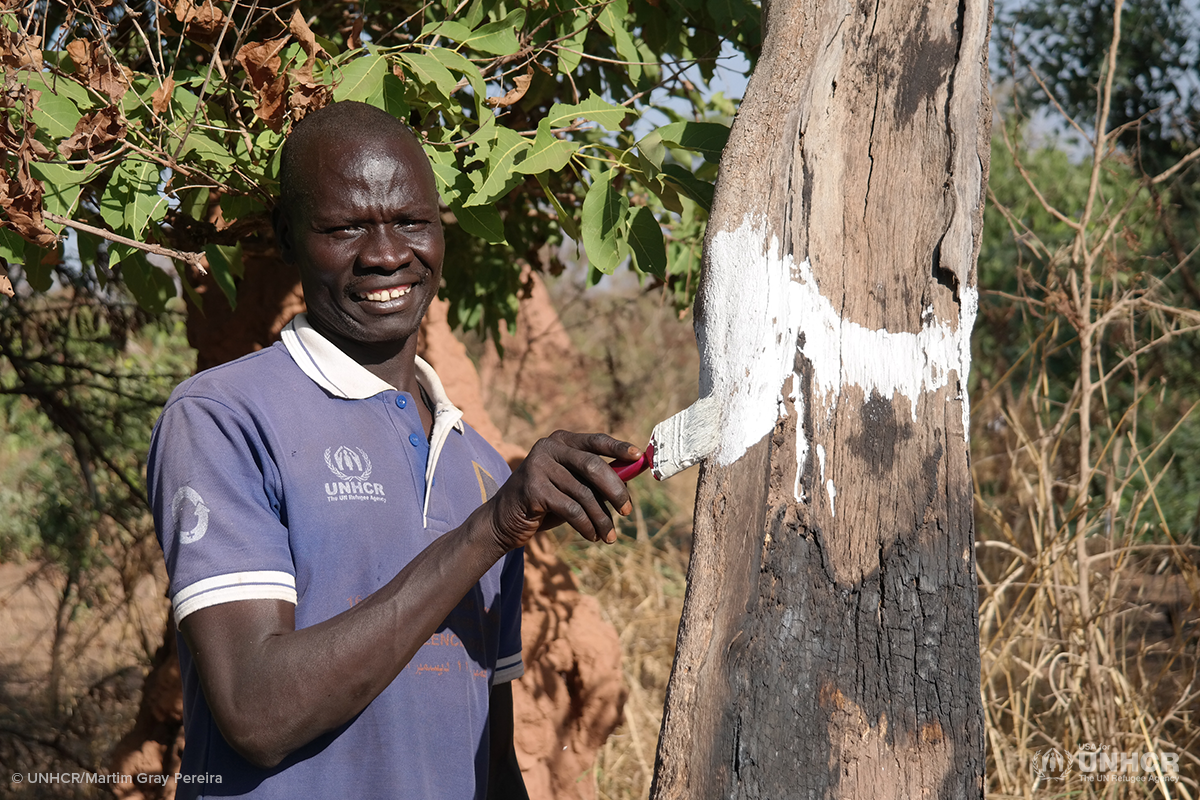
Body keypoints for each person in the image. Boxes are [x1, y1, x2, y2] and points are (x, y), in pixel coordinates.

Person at [148, 100, 642, 800]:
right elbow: (256, 713)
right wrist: (489, 530)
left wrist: (497, 514)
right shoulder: (225, 418)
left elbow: (492, 755)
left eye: (412, 221)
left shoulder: (481, 465)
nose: (386, 254)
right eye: (346, 227)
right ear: (288, 239)